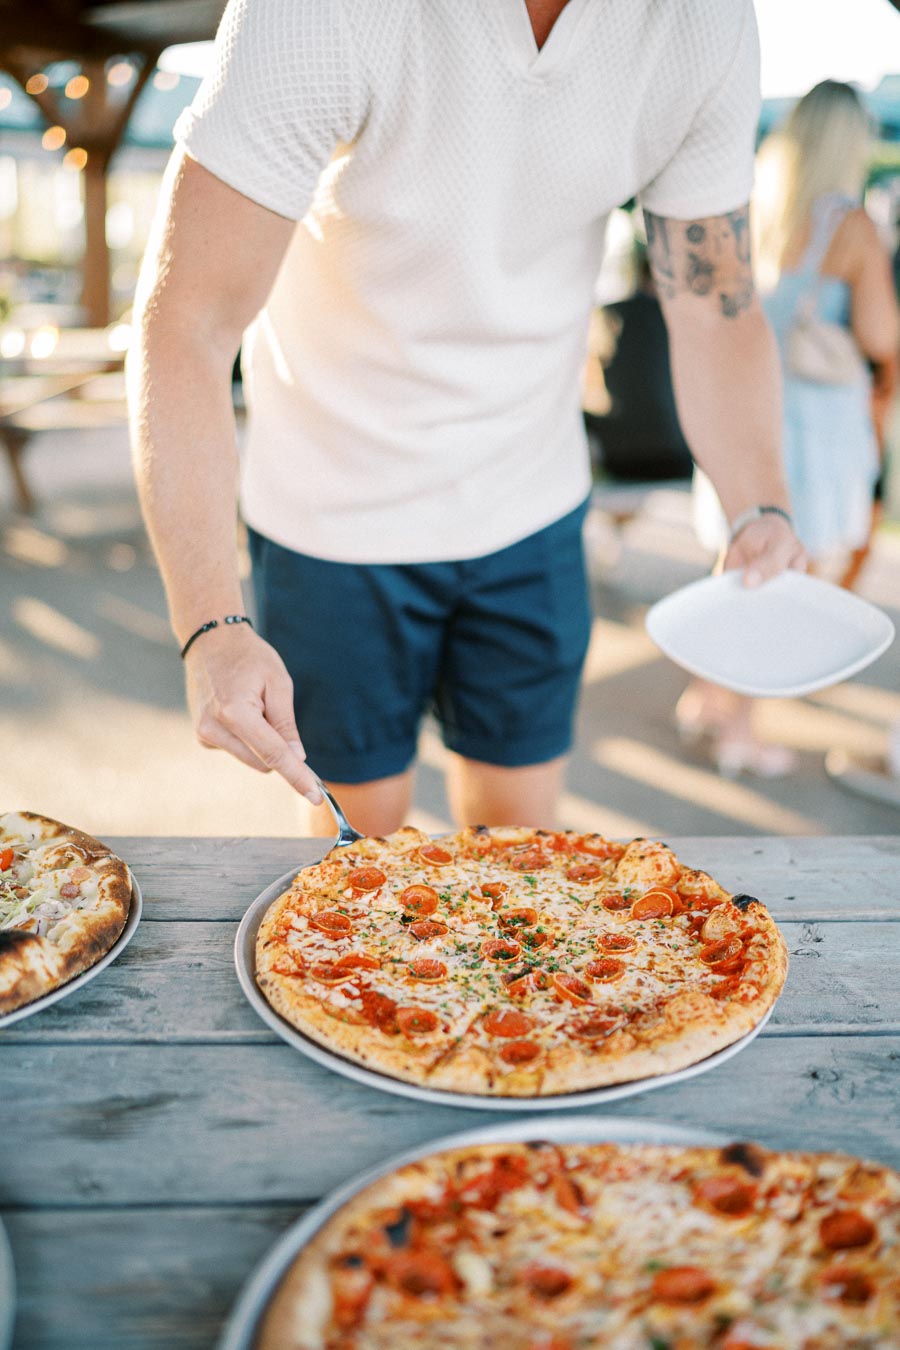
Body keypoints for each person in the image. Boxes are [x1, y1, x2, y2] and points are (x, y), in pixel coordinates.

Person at [129, 0, 806, 837]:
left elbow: (716, 306)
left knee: (524, 859)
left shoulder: (703, 25)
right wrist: (210, 626)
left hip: (533, 502)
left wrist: (760, 503)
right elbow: (185, 322)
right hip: (334, 516)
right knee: (361, 869)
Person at [677, 80, 899, 777]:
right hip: (820, 425)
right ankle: (741, 730)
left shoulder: (760, 207)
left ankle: (707, 696)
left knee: (741, 560)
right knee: (781, 571)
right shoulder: (851, 224)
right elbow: (879, 330)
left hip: (751, 409)